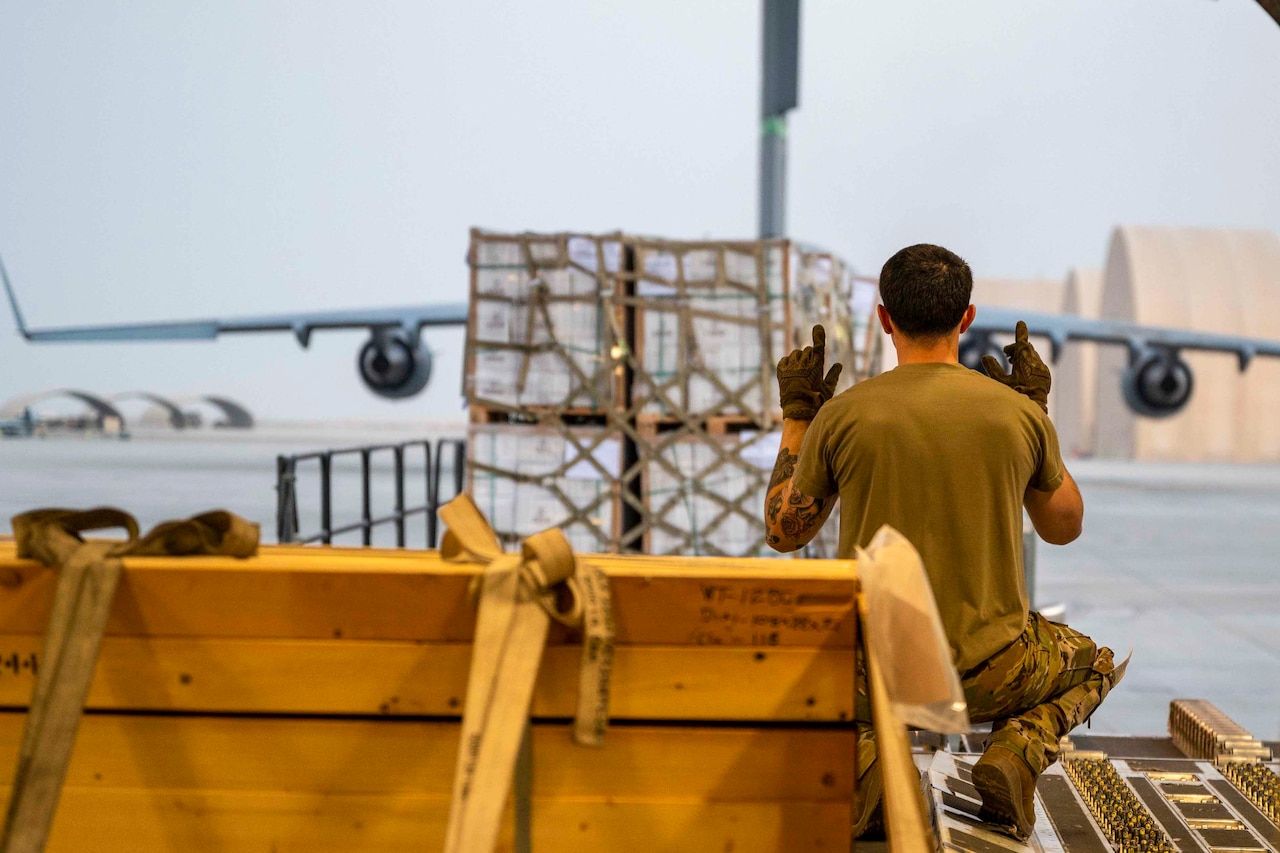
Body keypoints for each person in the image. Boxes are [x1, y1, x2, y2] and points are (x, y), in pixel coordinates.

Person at [764, 243, 1124, 840]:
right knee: (1097, 665)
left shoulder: (844, 416)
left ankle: (875, 764)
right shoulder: (1018, 416)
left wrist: (800, 415)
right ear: (967, 318)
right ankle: (1014, 750)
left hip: (875, 674)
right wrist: (1033, 413)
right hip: (991, 672)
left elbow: (784, 532)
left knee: (812, 681)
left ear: (885, 318)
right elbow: (1064, 528)